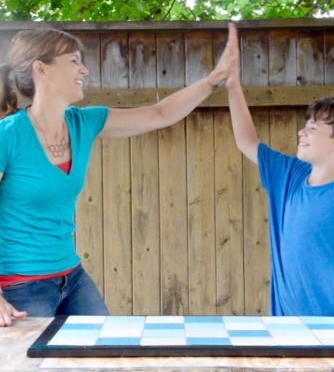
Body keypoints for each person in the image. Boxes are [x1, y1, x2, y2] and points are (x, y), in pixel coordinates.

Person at [0, 25, 236, 326]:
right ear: (41, 69)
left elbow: (159, 114)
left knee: (107, 353)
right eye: (73, 61)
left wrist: (213, 79)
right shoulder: (7, 137)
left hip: (71, 278)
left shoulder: (83, 123)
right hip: (20, 286)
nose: (84, 70)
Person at [226, 24, 334, 325]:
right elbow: (247, 141)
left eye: (313, 128)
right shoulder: (290, 175)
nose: (302, 131)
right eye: (305, 124)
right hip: (285, 328)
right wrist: (232, 85)